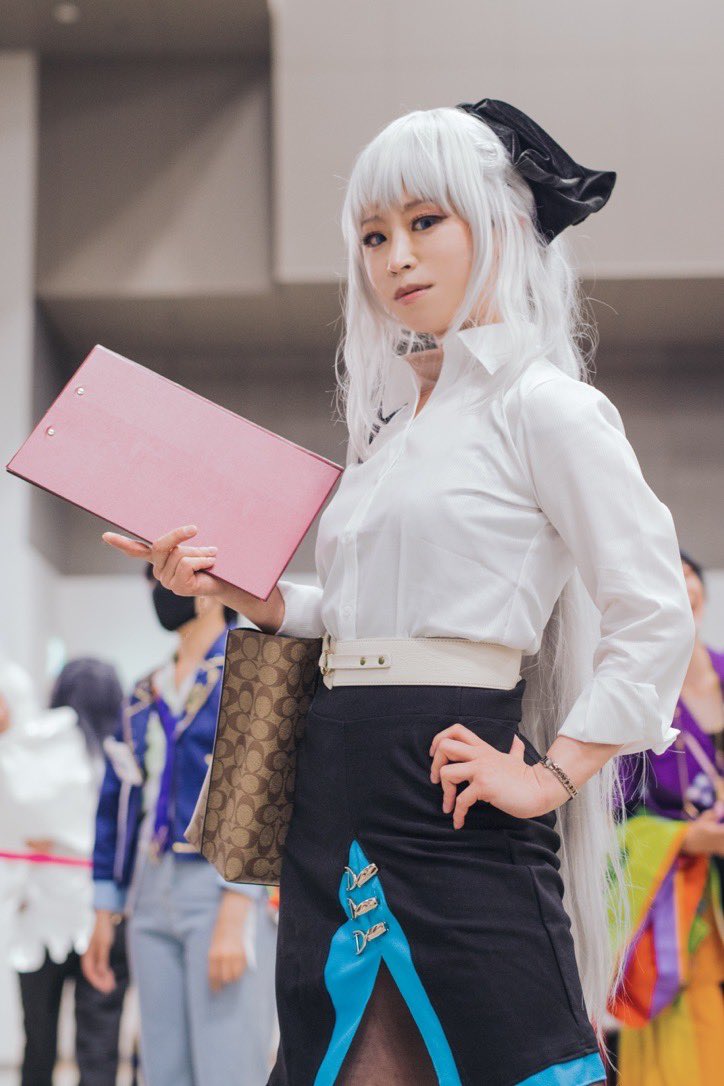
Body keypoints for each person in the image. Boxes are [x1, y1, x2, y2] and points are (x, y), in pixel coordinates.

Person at [102, 99, 694, 1086]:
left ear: (498, 223)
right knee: (340, 1060)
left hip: (453, 785)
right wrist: (251, 593)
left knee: (516, 1056)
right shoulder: (388, 430)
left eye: (425, 222)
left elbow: (652, 608)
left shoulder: (546, 407)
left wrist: (551, 777)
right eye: (374, 235)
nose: (396, 258)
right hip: (334, 774)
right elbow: (354, 620)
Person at [82, 566, 278, 1086]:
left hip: (220, 883)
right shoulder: (143, 692)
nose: (156, 591)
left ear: (208, 589)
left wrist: (237, 906)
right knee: (162, 1066)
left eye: (165, 578)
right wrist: (104, 906)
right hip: (150, 887)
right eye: (153, 580)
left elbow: (262, 785)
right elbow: (115, 800)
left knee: (227, 1064)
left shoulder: (249, 671)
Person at [607, 551, 724, 1086]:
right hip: (681, 910)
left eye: (689, 574)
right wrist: (687, 839)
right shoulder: (639, 697)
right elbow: (611, 820)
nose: (683, 584)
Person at [0, 656, 125, 1086]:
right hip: (103, 914)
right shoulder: (121, 756)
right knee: (99, 1042)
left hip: (38, 914)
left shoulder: (33, 750)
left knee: (38, 1040)